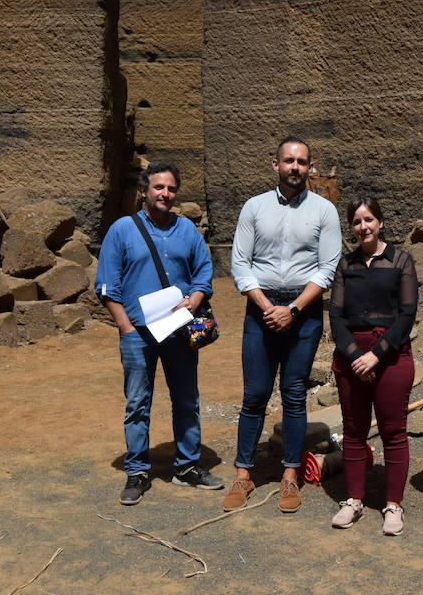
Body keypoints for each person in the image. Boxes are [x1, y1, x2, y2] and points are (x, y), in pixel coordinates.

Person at [94, 161, 223, 505]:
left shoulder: (187, 232)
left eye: (171, 188)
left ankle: (187, 466)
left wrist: (194, 302)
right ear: (144, 191)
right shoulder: (122, 230)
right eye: (158, 188)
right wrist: (124, 325)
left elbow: (203, 275)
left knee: (186, 399)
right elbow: (107, 285)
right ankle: (137, 471)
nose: (165, 194)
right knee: (138, 402)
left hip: (179, 332)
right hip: (138, 334)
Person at [226, 137, 343, 513]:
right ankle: (243, 475)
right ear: (274, 165)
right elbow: (241, 263)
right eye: (288, 161)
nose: (295, 167)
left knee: (293, 393)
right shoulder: (254, 207)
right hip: (260, 308)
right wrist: (266, 305)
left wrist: (291, 309)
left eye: (302, 162)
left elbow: (327, 268)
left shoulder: (324, 211)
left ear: (311, 168)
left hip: (304, 310)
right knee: (255, 394)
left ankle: (290, 476)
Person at [327, 196, 419, 535]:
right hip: (352, 356)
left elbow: (407, 314)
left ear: (380, 222)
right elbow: (335, 314)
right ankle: (353, 500)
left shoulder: (401, 261)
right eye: (356, 222)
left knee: (394, 431)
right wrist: (354, 355)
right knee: (354, 430)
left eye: (369, 220)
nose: (363, 227)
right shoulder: (345, 265)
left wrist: (376, 354)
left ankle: (393, 505)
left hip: (391, 355)